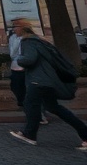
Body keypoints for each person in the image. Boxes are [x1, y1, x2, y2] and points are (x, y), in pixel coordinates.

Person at [9, 22, 87, 150]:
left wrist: (19, 59)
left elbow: (30, 59)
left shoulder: (28, 42)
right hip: (48, 80)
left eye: (15, 28)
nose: (14, 30)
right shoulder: (40, 41)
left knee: (30, 104)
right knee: (54, 107)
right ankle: (85, 134)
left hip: (38, 80)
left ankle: (29, 134)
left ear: (22, 29)